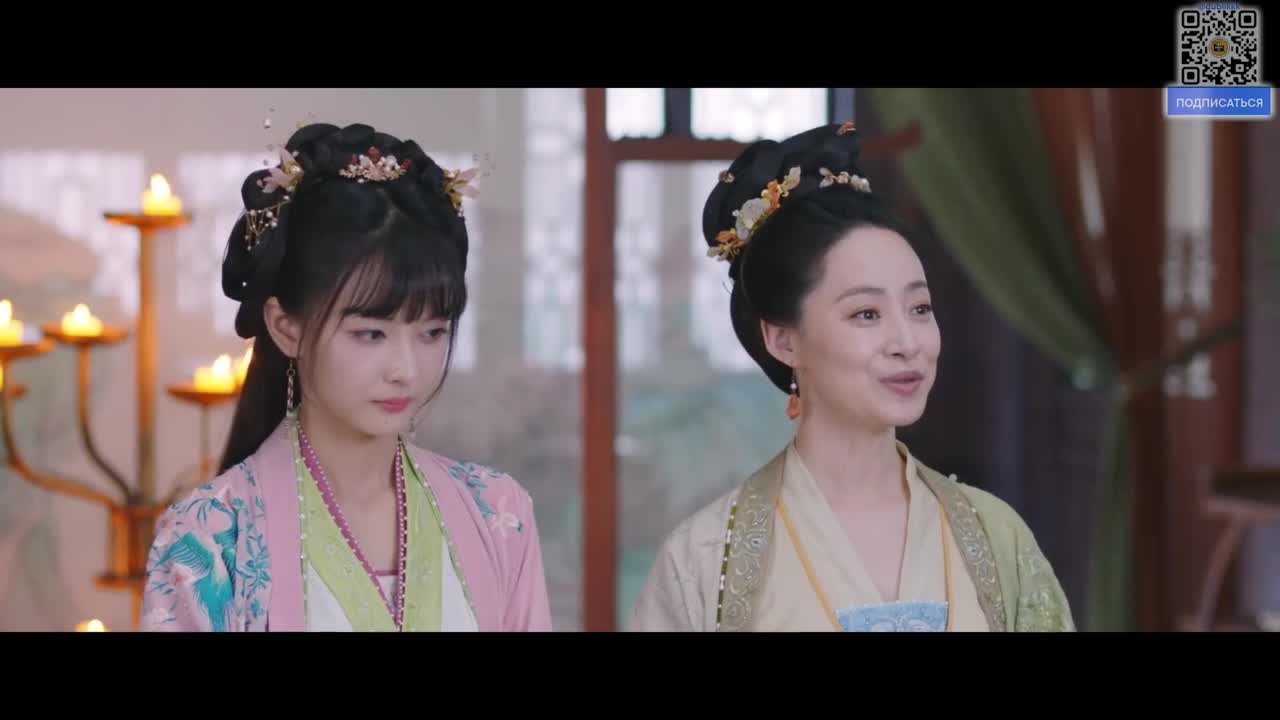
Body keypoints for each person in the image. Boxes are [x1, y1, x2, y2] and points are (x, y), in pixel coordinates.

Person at [628, 121, 1074, 632]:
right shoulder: (707, 561)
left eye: (920, 308)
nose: (907, 342)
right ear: (783, 340)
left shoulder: (996, 539)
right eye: (866, 314)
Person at [141, 123, 551, 632]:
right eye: (371, 334)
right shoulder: (210, 539)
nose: (406, 370)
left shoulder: (497, 513)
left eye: (432, 332)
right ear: (286, 328)